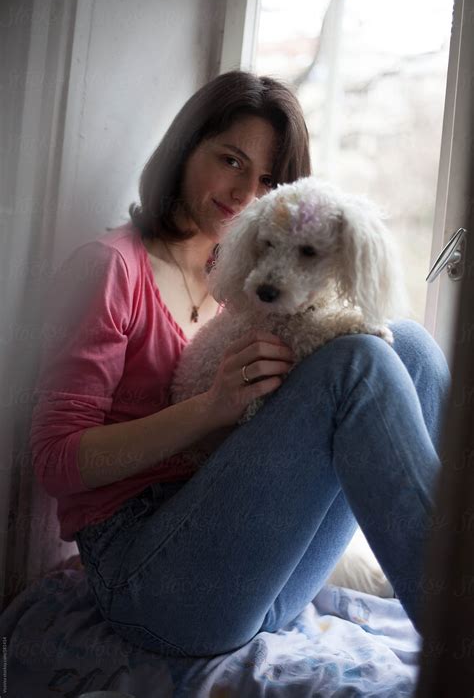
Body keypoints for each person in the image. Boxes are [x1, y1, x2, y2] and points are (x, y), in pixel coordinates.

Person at [30, 69, 451, 658]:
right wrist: (211, 409)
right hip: (148, 580)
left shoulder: (254, 279)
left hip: (258, 580)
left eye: (270, 179)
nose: (245, 193)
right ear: (184, 149)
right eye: (230, 160)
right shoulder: (111, 269)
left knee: (411, 347)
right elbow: (54, 463)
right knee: (358, 360)